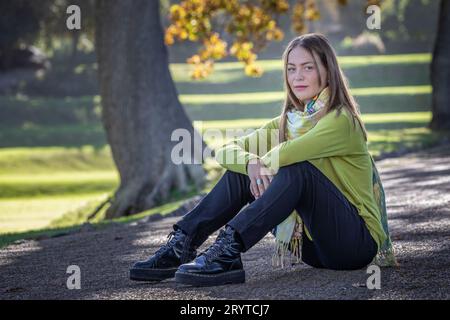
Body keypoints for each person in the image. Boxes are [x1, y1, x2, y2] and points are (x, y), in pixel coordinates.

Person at [129, 33, 394, 287]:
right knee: (244, 169)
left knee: (296, 169)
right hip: (313, 249)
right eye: (291, 69)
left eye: (308, 68)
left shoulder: (341, 120)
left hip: (354, 244)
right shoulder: (289, 122)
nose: (297, 76)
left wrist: (258, 163)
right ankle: (182, 245)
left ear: (327, 70)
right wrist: (250, 164)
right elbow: (226, 151)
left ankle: (228, 246)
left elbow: (287, 154)